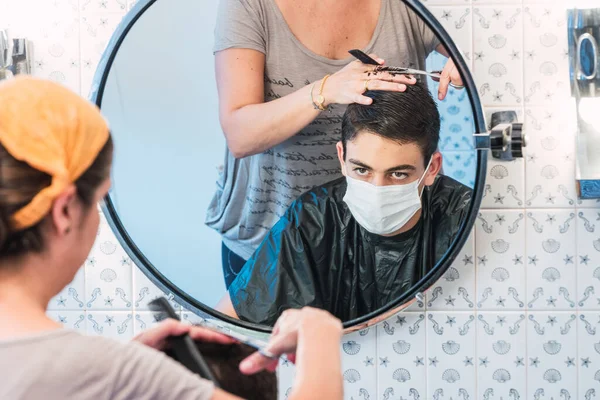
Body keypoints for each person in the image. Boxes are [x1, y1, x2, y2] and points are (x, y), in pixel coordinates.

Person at [0, 77, 344, 400]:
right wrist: (320, 338)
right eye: (97, 203)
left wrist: (126, 361)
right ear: (65, 213)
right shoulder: (97, 368)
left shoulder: (86, 368)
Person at [206, 0, 465, 289]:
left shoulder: (405, 6)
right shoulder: (248, 5)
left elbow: (492, 36)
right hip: (268, 240)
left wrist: (471, 55)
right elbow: (240, 136)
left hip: (394, 243)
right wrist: (325, 90)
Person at [216, 85, 473, 325]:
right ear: (342, 157)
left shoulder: (464, 217)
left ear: (432, 168)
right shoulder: (313, 218)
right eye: (362, 170)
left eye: (398, 174)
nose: (377, 189)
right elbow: (227, 322)